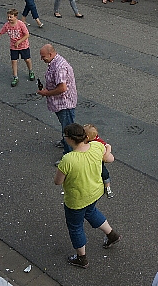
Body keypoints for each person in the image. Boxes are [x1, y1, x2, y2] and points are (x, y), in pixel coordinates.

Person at [55, 123, 121, 269]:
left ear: (70, 139)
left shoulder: (68, 160)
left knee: (75, 227)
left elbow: (57, 182)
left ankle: (81, 258)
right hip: (95, 192)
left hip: (76, 200)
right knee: (91, 212)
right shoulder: (97, 147)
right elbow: (108, 157)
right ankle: (112, 235)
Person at [38, 44, 78, 154]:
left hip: (65, 103)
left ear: (50, 54)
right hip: (61, 102)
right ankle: (64, 142)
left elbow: (62, 88)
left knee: (68, 130)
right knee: (65, 125)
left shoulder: (59, 67)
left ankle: (68, 154)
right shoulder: (55, 61)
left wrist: (47, 93)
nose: (42, 59)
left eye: (43, 56)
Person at [0, 8, 34, 87]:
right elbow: (0, 33)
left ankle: (30, 71)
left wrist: (19, 41)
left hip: (23, 46)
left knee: (27, 59)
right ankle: (15, 77)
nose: (9, 19)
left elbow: (27, 35)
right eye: (8, 17)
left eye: (11, 17)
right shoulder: (7, 25)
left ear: (16, 17)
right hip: (13, 47)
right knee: (14, 61)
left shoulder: (21, 24)